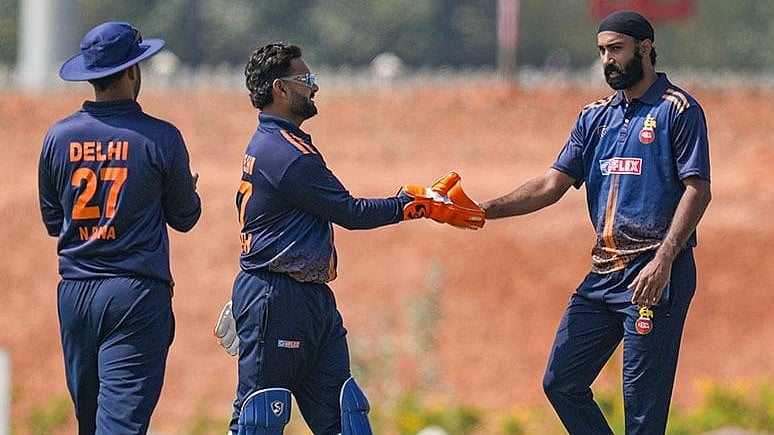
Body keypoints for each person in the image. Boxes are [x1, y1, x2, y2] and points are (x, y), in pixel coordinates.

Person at [211, 42, 484, 434]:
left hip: (305, 296)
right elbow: (349, 212)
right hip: (279, 296)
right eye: (305, 80)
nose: (314, 87)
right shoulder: (286, 153)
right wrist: (411, 204)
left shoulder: (279, 143)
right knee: (259, 420)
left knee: (346, 415)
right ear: (280, 89)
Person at [479, 11, 711, 434]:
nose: (608, 60)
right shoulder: (595, 117)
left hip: (656, 275)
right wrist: (483, 210)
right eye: (602, 51)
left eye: (616, 49)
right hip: (604, 272)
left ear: (645, 48)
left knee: (641, 413)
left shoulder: (678, 109)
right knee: (561, 382)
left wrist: (663, 262)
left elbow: (698, 190)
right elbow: (551, 184)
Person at [38, 22, 201, 433]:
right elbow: (185, 218)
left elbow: (53, 221)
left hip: (75, 293)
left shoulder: (57, 138)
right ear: (133, 71)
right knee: (122, 425)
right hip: (134, 294)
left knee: (90, 424)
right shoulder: (161, 137)